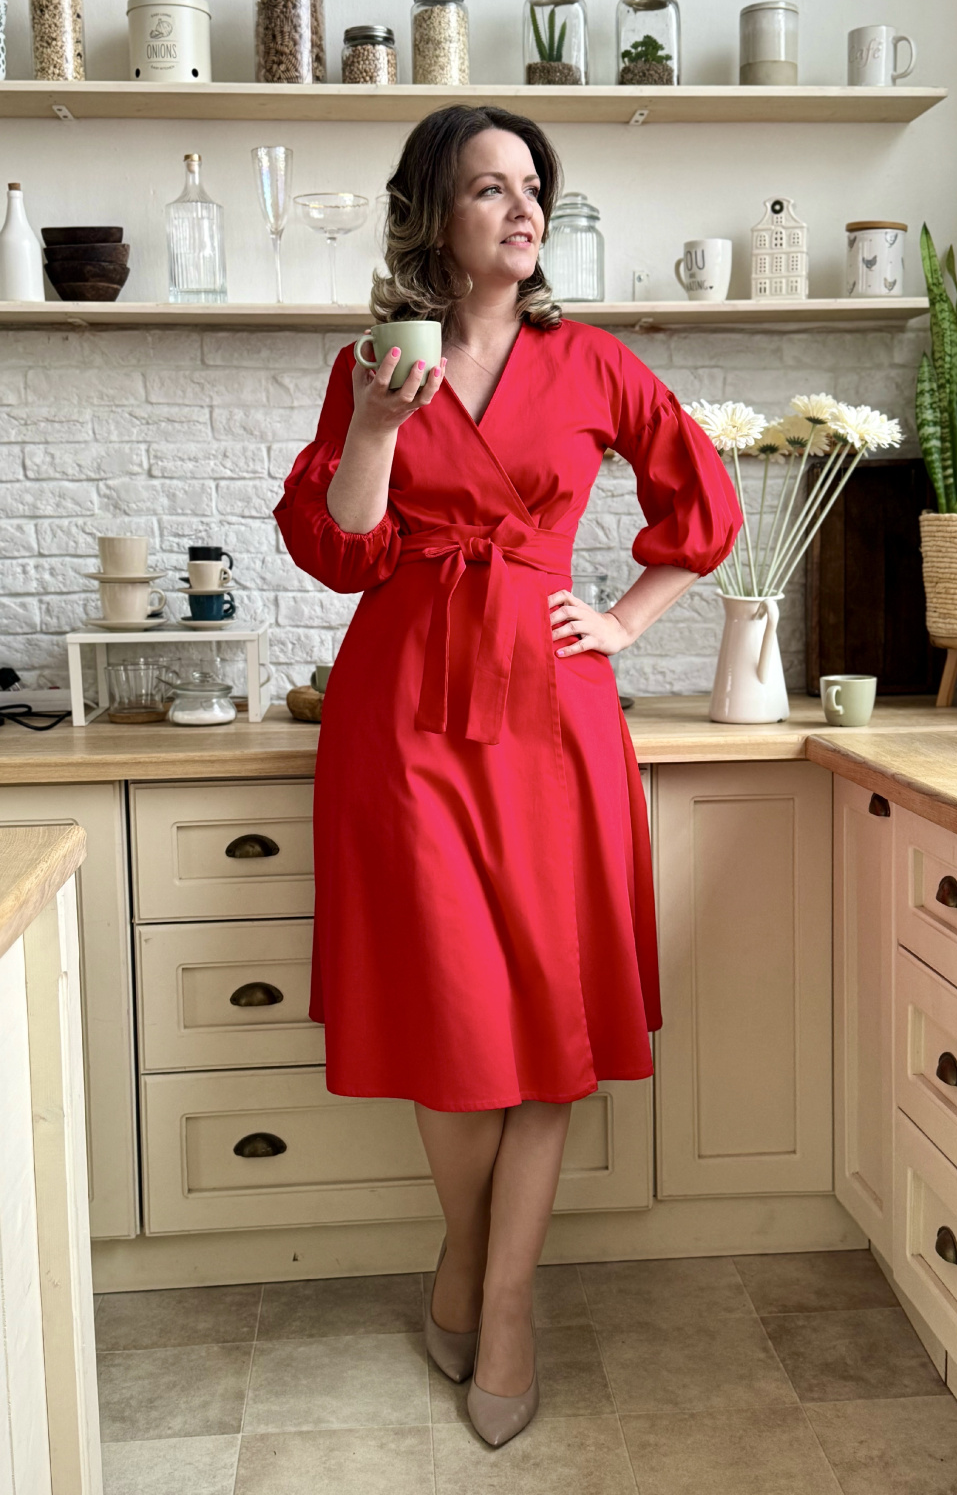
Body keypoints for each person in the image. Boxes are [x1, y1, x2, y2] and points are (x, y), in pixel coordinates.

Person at [274, 102, 742, 1447]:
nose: (523, 208)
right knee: (453, 1016)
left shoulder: (592, 362)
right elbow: (339, 550)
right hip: (405, 714)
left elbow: (702, 505)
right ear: (433, 215)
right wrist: (374, 426)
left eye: (534, 186)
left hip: (551, 711)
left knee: (548, 1015)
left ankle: (505, 1300)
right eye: (490, 187)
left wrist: (628, 620)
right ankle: (472, 1260)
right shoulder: (377, 361)